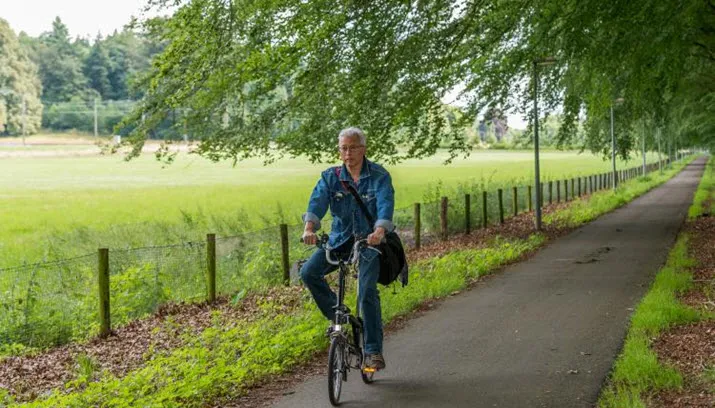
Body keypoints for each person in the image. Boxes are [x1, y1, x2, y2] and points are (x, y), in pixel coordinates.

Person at [301, 127, 395, 371]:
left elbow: (385, 206)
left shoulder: (378, 176)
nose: (348, 152)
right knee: (309, 273)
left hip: (368, 243)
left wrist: (379, 231)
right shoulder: (330, 177)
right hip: (339, 240)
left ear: (363, 149)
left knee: (366, 292)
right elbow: (317, 202)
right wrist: (309, 228)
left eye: (353, 147)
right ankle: (338, 315)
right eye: (344, 148)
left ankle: (373, 351)